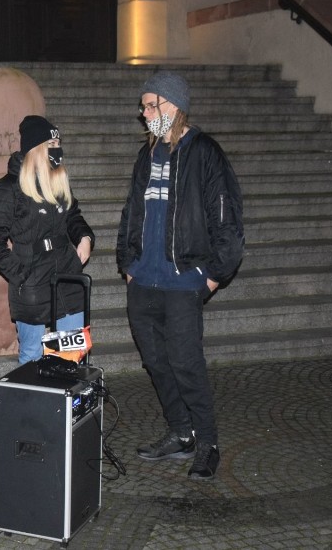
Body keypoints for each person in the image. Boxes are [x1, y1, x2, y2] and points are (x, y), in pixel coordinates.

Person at [116, 71, 244, 480]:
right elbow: (131, 212)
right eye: (144, 106)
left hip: (183, 281)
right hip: (144, 282)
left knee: (186, 363)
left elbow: (226, 218)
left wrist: (211, 275)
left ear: (174, 106)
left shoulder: (204, 152)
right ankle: (180, 431)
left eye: (151, 105)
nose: (145, 113)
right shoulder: (146, 155)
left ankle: (207, 442)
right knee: (155, 362)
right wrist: (128, 265)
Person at [0, 115, 94, 365]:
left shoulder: (57, 179)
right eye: (52, 146)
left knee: (70, 356)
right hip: (32, 282)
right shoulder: (10, 187)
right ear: (36, 149)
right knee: (32, 357)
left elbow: (73, 215)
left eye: (58, 144)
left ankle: (63, 403)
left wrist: (85, 237)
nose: (58, 151)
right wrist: (21, 274)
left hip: (67, 277)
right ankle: (32, 404)